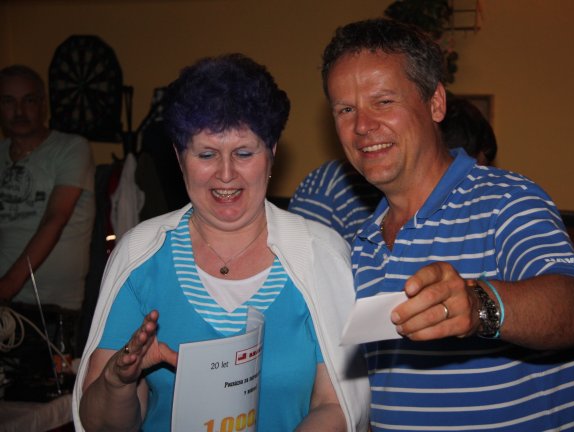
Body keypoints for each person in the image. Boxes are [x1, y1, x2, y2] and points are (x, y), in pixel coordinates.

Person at [321, 18, 574, 431]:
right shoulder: (360, 244)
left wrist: (479, 304)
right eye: (346, 109)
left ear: (436, 103)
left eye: (383, 101)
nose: (362, 126)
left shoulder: (507, 199)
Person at [73, 54, 369, 432]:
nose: (226, 174)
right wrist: (117, 382)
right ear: (180, 157)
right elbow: (102, 425)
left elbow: (337, 406)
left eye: (244, 153)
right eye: (207, 154)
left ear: (272, 152)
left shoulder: (319, 255)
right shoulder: (141, 254)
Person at [288, 96, 497, 246]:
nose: (363, 126)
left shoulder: (497, 206)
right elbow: (297, 268)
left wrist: (479, 292)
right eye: (347, 109)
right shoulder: (327, 185)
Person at [0, 65, 95, 355]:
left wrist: (5, 288)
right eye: (8, 101)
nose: (19, 111)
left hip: (52, 310)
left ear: (43, 104)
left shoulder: (72, 148)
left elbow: (55, 219)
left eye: (28, 100)